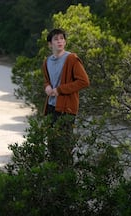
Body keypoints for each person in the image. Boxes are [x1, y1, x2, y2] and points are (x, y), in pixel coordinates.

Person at [42, 28, 89, 166]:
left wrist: (60, 90)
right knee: (51, 145)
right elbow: (47, 80)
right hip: (51, 107)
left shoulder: (72, 59)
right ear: (50, 44)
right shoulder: (47, 62)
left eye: (62, 38)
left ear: (65, 42)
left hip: (66, 108)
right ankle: (53, 177)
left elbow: (84, 81)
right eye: (56, 39)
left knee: (64, 146)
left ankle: (65, 180)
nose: (60, 41)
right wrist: (47, 87)